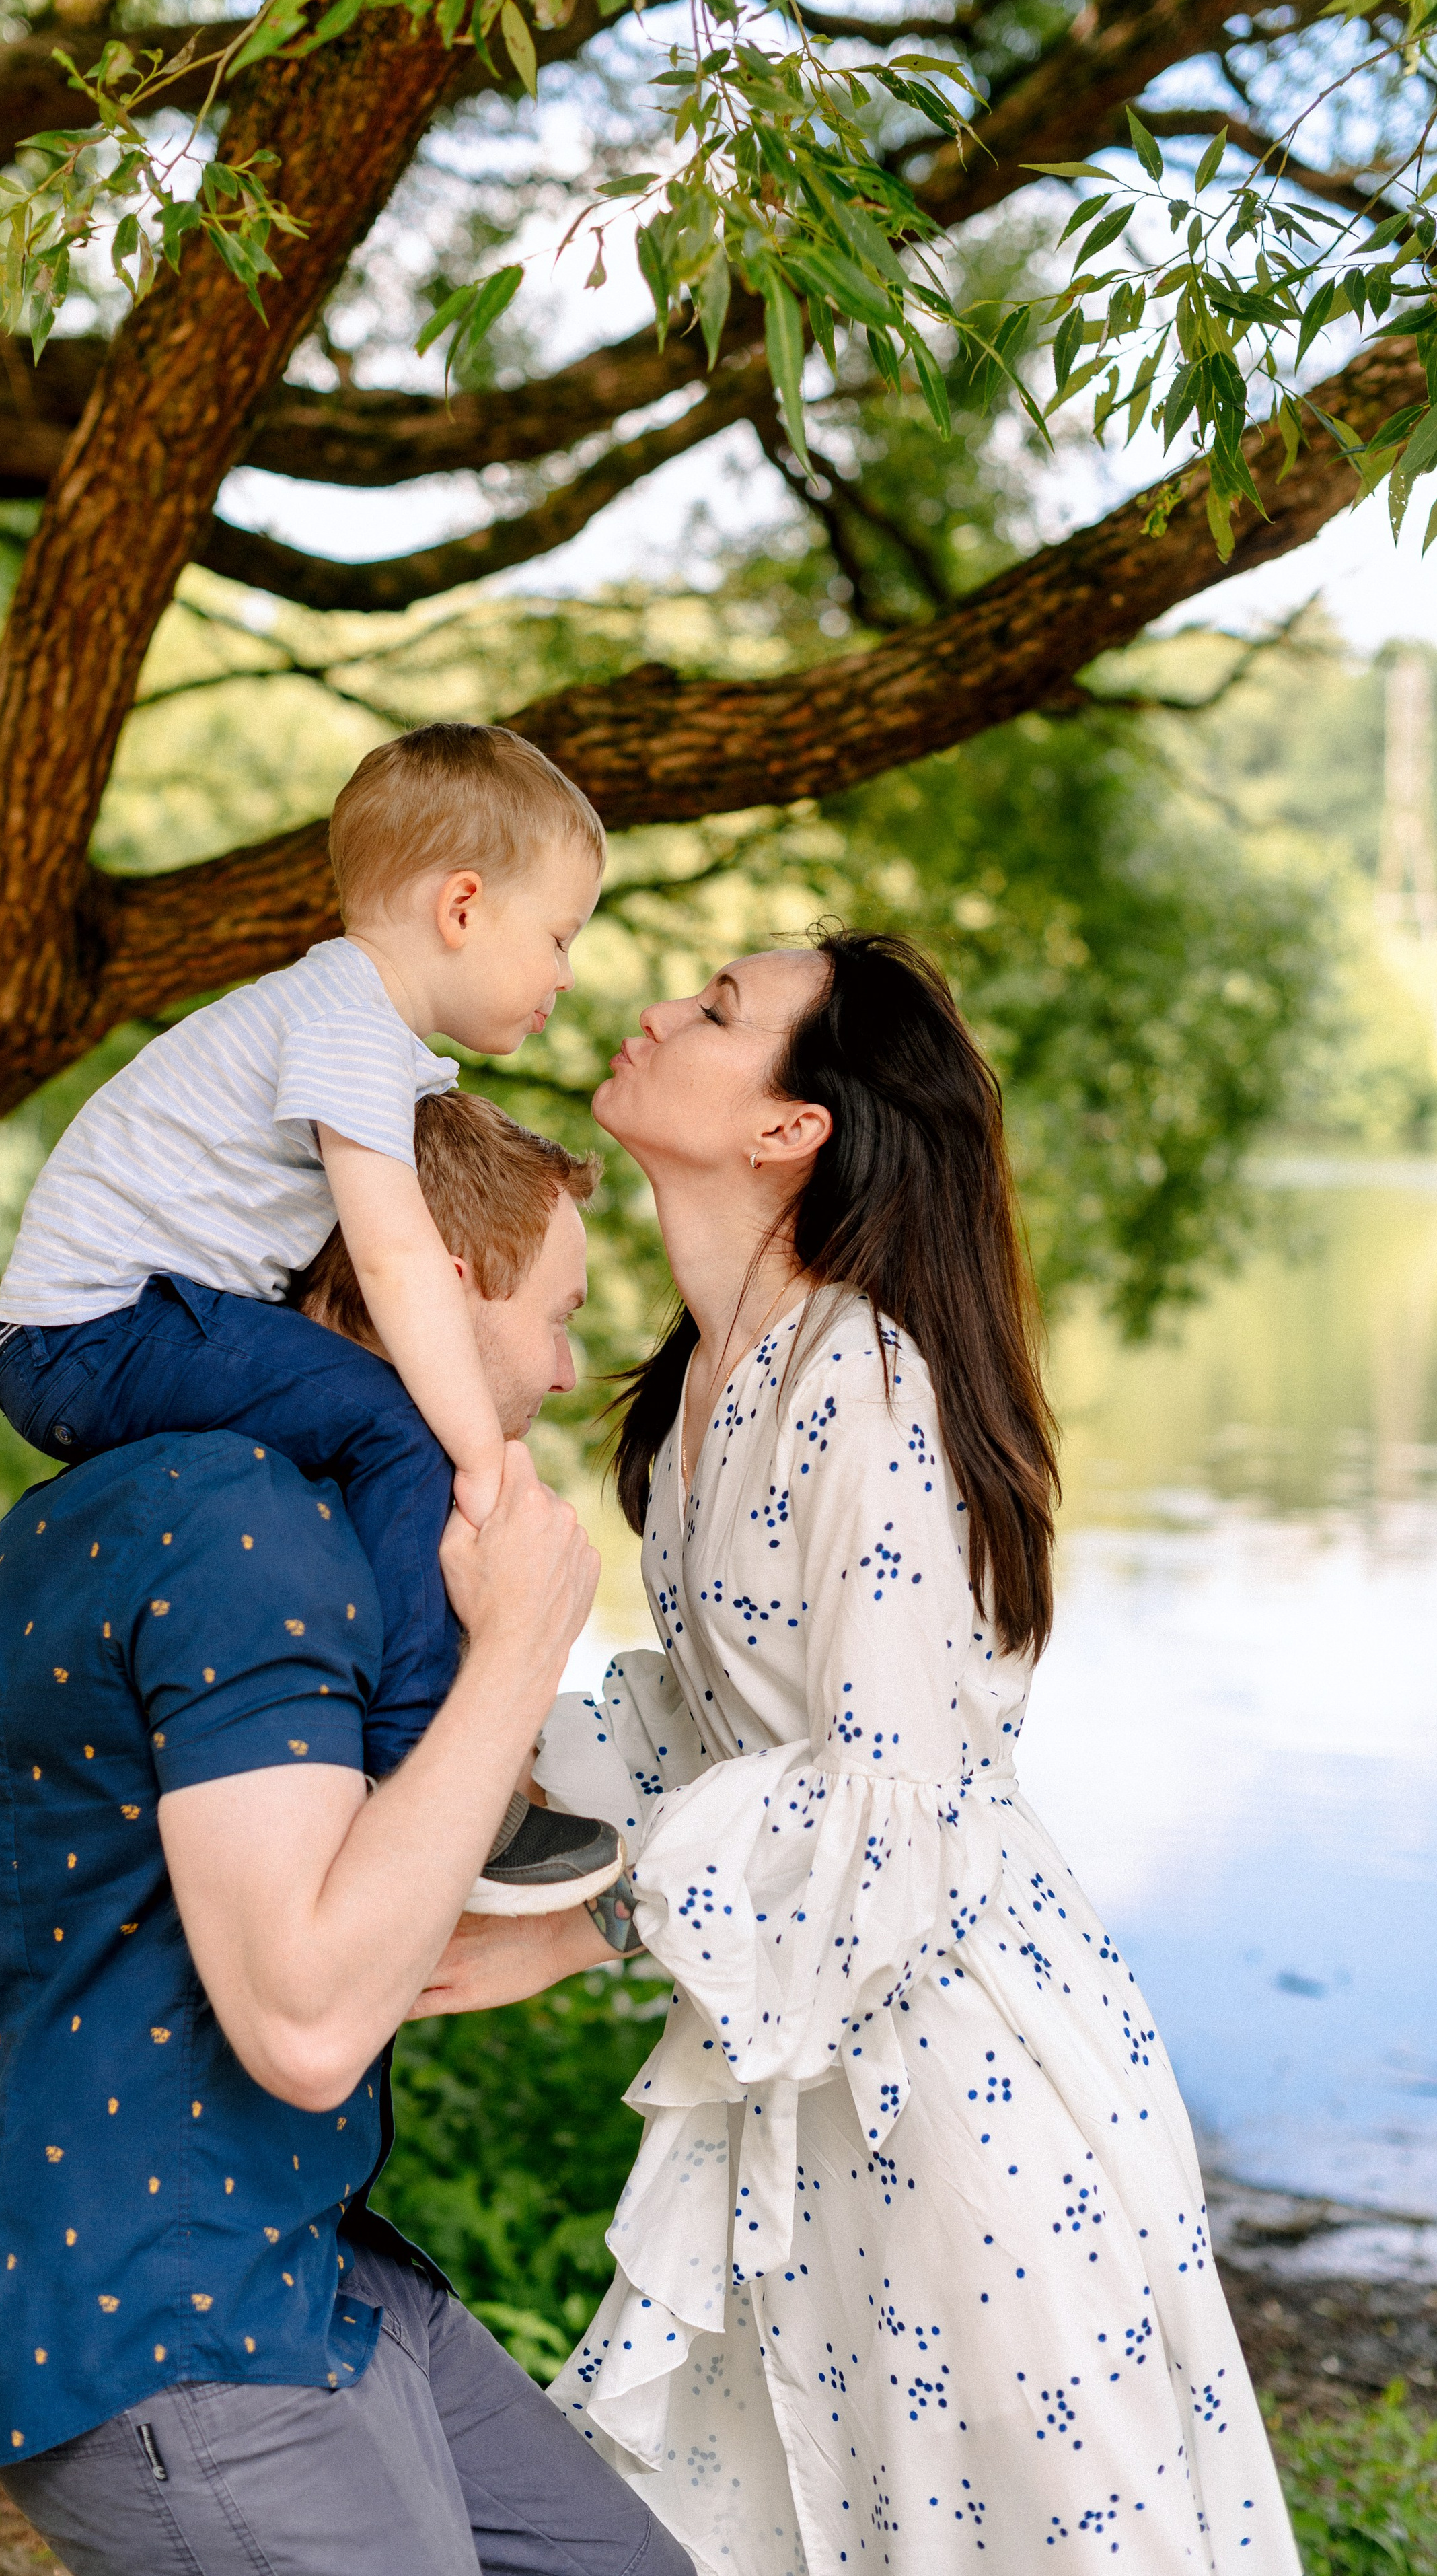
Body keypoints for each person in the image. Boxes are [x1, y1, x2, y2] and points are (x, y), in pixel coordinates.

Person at [424, 930, 1300, 2575]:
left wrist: (580, 1925)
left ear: (788, 1127)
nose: (653, 1012)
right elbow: (698, 1721)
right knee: (824, 2515)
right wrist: (464, 1765)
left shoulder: (870, 1384)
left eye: (714, 1012)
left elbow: (893, 1801)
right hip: (812, 2049)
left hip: (961, 2068)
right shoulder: (710, 1378)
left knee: (1028, 2527)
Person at [0, 1093, 691, 2576]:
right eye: (554, 1315)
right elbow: (307, 2023)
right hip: (176, 2326)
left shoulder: (128, 1503)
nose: (556, 1370)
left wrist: (604, 1913)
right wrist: (527, 1644)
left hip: (292, 2268)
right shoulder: (239, 1531)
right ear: (447, 1283)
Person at [0, 723, 618, 1914]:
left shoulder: (350, 1026)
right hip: (95, 1333)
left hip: (112, 1325)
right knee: (397, 1425)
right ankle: (424, 1767)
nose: (567, 972)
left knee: (366, 1420)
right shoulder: (343, 1024)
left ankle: (379, 1709)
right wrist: (479, 1458)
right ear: (463, 906)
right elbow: (398, 1254)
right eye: (562, 935)